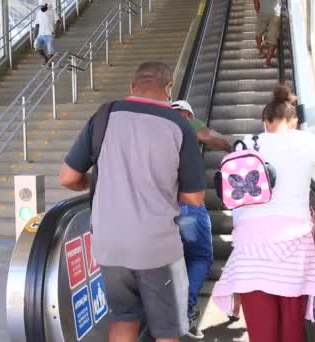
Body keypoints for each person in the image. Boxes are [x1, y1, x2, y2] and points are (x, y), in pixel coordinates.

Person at [60, 62, 206, 342]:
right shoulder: (179, 125)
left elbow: (68, 177)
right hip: (157, 247)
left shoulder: (103, 116)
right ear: (168, 89)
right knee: (166, 330)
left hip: (109, 245)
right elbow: (195, 197)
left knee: (124, 318)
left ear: (132, 87)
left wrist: (94, 183)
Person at [211, 85, 315, 342]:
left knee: (262, 334)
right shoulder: (304, 140)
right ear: (295, 121)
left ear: (264, 122)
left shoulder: (243, 144)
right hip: (293, 247)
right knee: (291, 332)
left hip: (250, 249)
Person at [171, 100, 231, 339]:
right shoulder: (184, 119)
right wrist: (231, 148)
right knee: (200, 257)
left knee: (174, 260)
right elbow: (206, 134)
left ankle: (165, 315)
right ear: (187, 113)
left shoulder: (156, 125)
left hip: (160, 208)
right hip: (187, 208)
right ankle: (185, 312)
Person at [253, 0, 282, 68]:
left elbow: (255, 1)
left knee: (258, 34)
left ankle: (261, 52)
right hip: (276, 13)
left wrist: (258, 11)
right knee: (273, 38)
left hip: (263, 11)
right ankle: (267, 62)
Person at [34, 0, 57, 65]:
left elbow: (58, 21)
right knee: (36, 46)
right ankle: (46, 58)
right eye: (40, 6)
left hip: (49, 33)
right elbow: (37, 24)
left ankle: (49, 63)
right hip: (40, 34)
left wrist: (57, 31)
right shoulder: (39, 13)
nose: (41, 7)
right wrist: (35, 34)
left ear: (46, 5)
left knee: (50, 50)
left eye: (43, 6)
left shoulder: (52, 11)